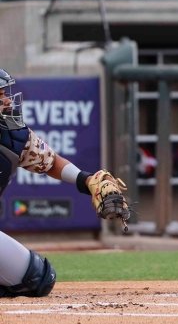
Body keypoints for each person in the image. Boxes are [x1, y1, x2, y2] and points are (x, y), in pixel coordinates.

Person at [0, 69, 129, 297]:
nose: (8, 100)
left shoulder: (12, 137)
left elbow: (51, 163)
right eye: (0, 95)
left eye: (4, 93)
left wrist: (87, 180)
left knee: (38, 277)